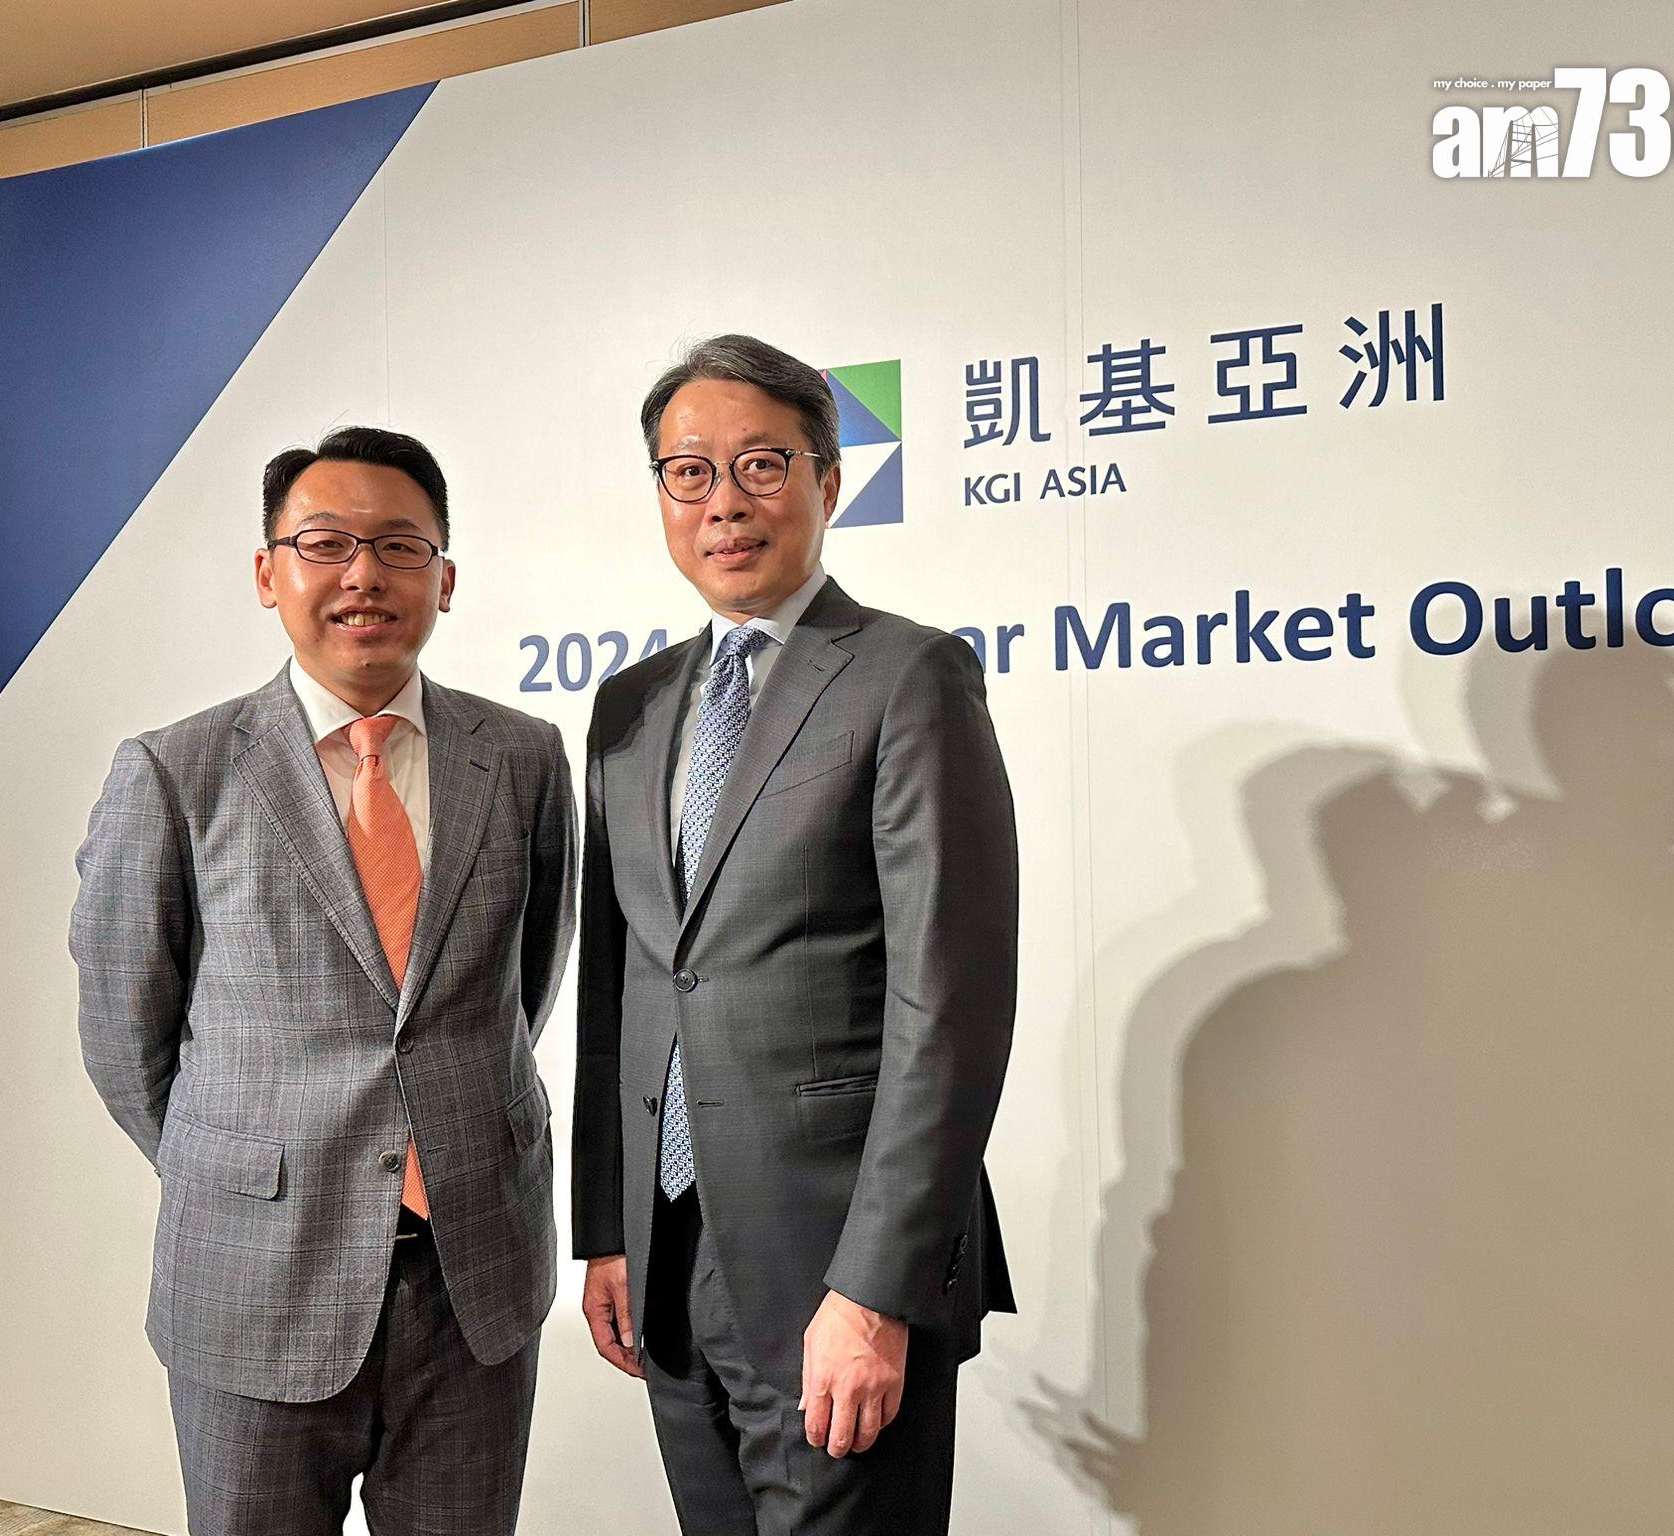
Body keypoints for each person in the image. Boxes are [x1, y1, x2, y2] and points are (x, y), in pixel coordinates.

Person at [72, 426, 574, 1536]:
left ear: (445, 577)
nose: (363, 575)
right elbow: (123, 1034)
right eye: (325, 544)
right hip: (256, 1278)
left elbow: (523, 986)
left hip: (473, 1278)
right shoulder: (176, 771)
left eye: (399, 546)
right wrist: (252, 1169)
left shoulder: (523, 756)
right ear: (269, 573)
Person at [572, 335, 1018, 1533]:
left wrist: (873, 1292)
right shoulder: (627, 707)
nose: (723, 502)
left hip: (834, 1274)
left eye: (760, 465)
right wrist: (609, 1232)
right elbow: (622, 984)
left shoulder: (907, 676)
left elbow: (950, 1009)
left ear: (827, 480)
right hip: (668, 1260)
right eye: (688, 472)